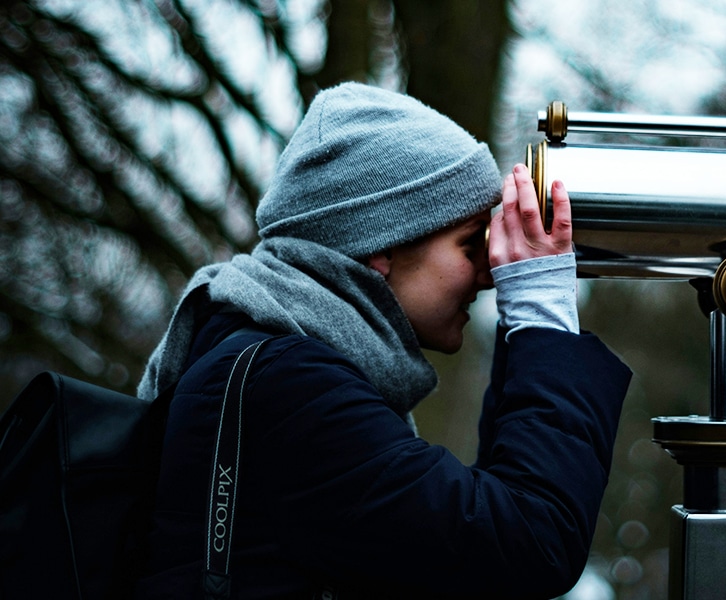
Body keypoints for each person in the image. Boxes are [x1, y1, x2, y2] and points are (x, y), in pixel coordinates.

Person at [134, 82, 631, 599]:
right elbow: (528, 542)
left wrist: (527, 333)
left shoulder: (274, 367)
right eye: (470, 243)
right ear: (380, 249)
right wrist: (542, 317)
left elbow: (469, 549)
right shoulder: (290, 389)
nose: (488, 274)